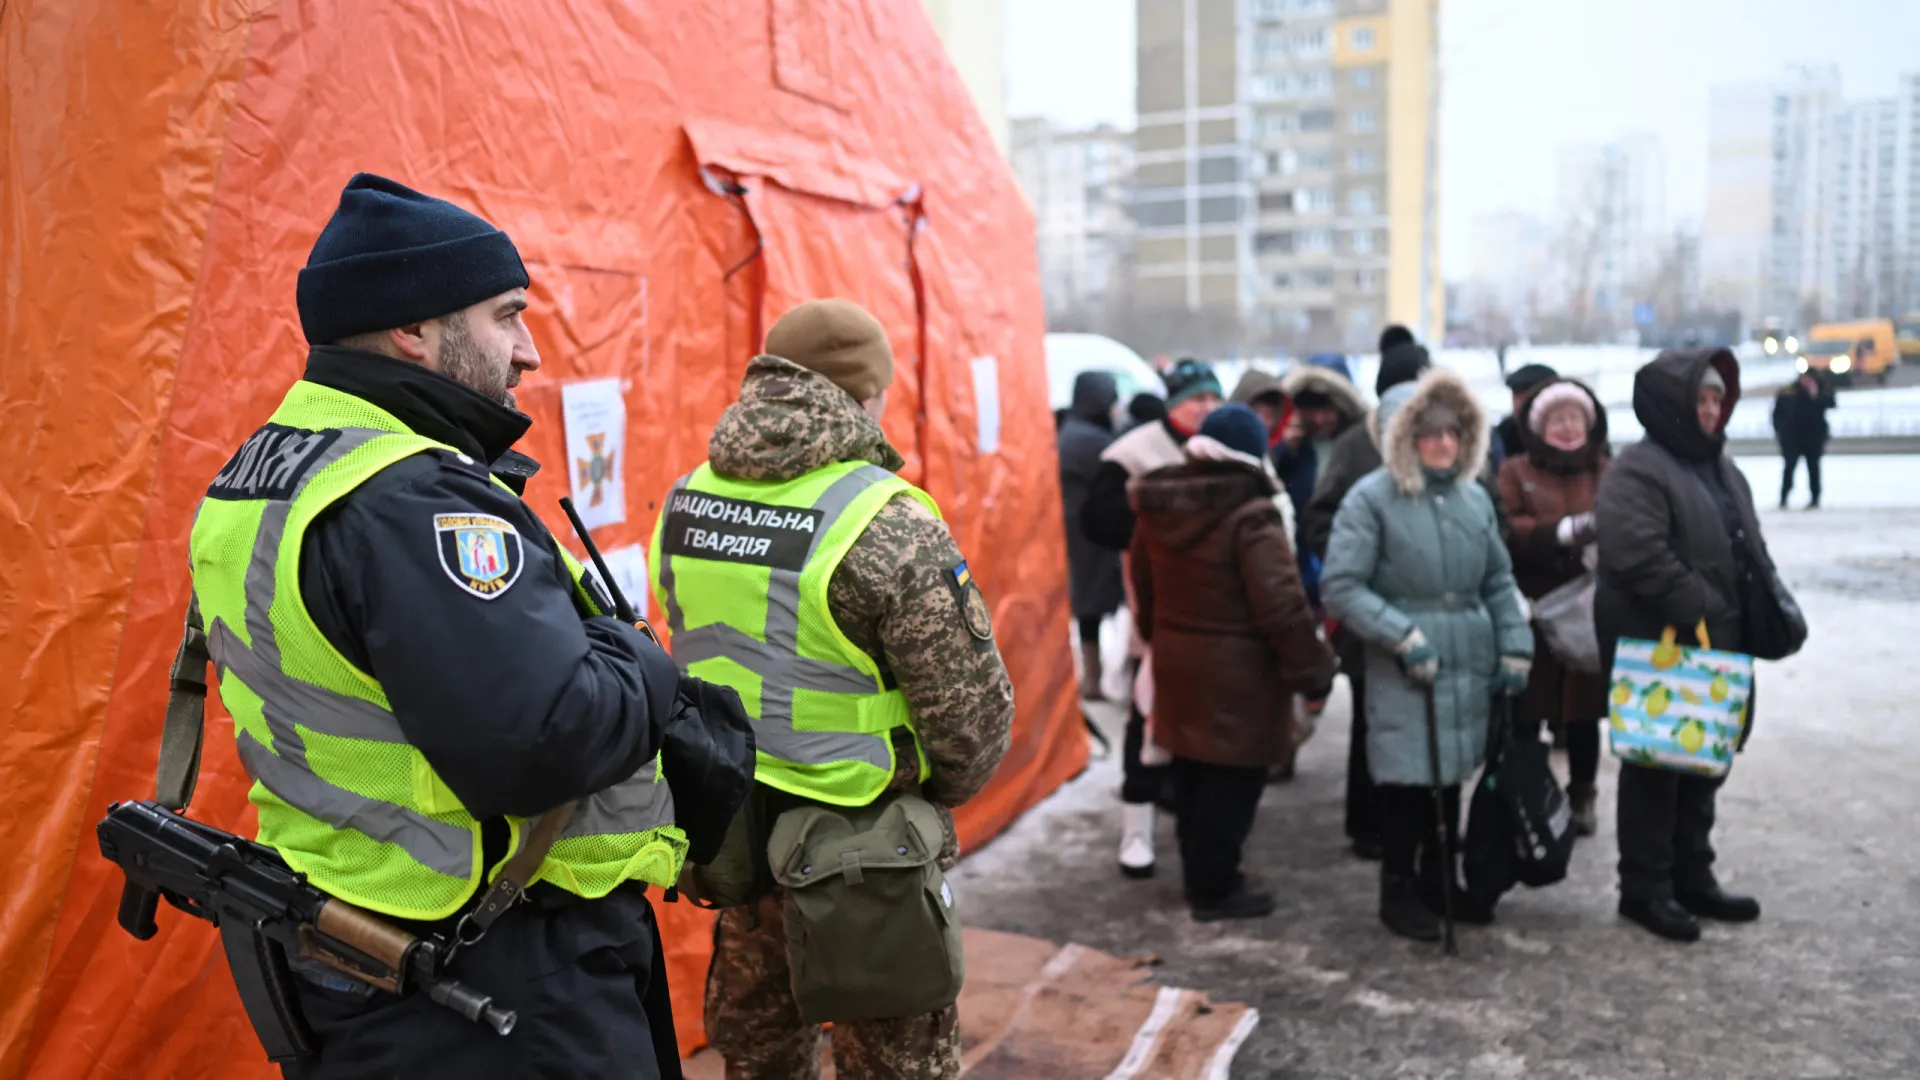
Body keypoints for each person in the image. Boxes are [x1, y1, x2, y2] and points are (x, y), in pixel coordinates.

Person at [188, 173, 750, 1078]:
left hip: (355, 926)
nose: (527, 353)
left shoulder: (269, 467)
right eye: (506, 315)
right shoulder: (414, 498)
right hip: (493, 972)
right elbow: (544, 742)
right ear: (414, 328)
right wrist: (641, 659)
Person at [651, 298, 1016, 1076]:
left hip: (734, 836)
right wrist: (930, 794)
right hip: (864, 851)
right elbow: (969, 722)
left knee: (759, 1056)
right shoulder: (883, 519)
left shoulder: (687, 499)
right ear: (864, 393)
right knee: (894, 1062)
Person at [1322, 369, 1532, 942]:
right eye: (1430, 433)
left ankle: (1441, 880)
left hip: (1469, 659)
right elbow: (1341, 584)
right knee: (1408, 783)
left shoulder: (1472, 499)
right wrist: (1402, 635)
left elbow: (1497, 578)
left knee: (1450, 779)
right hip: (1408, 667)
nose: (1443, 444)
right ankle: (1400, 887)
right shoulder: (1372, 500)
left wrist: (1515, 644)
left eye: (1453, 433)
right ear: (1405, 437)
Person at [1128, 405, 1339, 921]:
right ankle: (1215, 888)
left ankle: (1203, 877)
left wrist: (1163, 635)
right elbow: (1281, 604)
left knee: (1193, 770)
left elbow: (1142, 581)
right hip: (1239, 674)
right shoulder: (1254, 511)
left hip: (1179, 660)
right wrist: (1314, 670)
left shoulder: (1161, 501)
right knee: (1234, 780)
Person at [1595, 348, 1771, 943]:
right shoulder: (1638, 470)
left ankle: (1693, 876)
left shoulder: (1720, 468)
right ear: (1672, 403)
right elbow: (1633, 550)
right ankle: (1645, 888)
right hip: (1666, 643)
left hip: (1719, 642)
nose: (1712, 409)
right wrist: (1695, 602)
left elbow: (1745, 545)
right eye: (1700, 397)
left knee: (1705, 764)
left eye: (1718, 398)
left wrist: (1762, 606)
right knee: (1656, 768)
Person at [1081, 359, 1225, 878]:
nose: (1206, 409)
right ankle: (1135, 832)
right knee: (1149, 720)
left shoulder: (1231, 445)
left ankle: (1202, 829)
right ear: (1172, 402)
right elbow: (1096, 518)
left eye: (1213, 399)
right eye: (1196, 399)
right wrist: (1155, 527)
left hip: (1223, 620)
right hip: (1158, 613)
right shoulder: (1133, 451)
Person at [1300, 326, 1432, 861]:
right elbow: (1318, 517)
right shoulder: (1359, 444)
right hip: (1368, 611)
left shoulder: (1443, 438)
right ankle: (1366, 823)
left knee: (1423, 719)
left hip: (1430, 610)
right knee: (1368, 720)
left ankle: (1422, 826)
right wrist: (1359, 560)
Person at [1498, 379, 1610, 835]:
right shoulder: (1514, 470)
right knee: (1528, 709)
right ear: (1539, 425)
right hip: (1535, 611)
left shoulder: (1607, 471)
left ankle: (1583, 793)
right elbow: (1506, 526)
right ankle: (1527, 791)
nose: (1567, 427)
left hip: (1588, 612)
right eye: (1557, 419)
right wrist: (1561, 533)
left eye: (1575, 418)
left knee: (1584, 713)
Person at [1059, 372, 1126, 700]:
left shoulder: (1072, 430)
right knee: (1091, 605)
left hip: (1077, 528)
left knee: (1088, 605)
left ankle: (1092, 676)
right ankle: (1093, 679)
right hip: (1090, 533)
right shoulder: (1093, 440)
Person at [1772, 370, 1836, 509]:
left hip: (1813, 437)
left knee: (1813, 468)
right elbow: (1777, 414)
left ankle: (1815, 498)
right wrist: (1780, 431)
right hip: (1792, 437)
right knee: (1789, 467)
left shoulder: (1819, 390)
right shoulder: (1788, 392)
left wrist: (1815, 394)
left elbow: (1831, 403)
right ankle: (1784, 497)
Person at [1492, 362, 1559, 466]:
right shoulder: (1503, 435)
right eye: (1516, 396)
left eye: (1527, 397)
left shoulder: (1570, 431)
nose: (1519, 404)